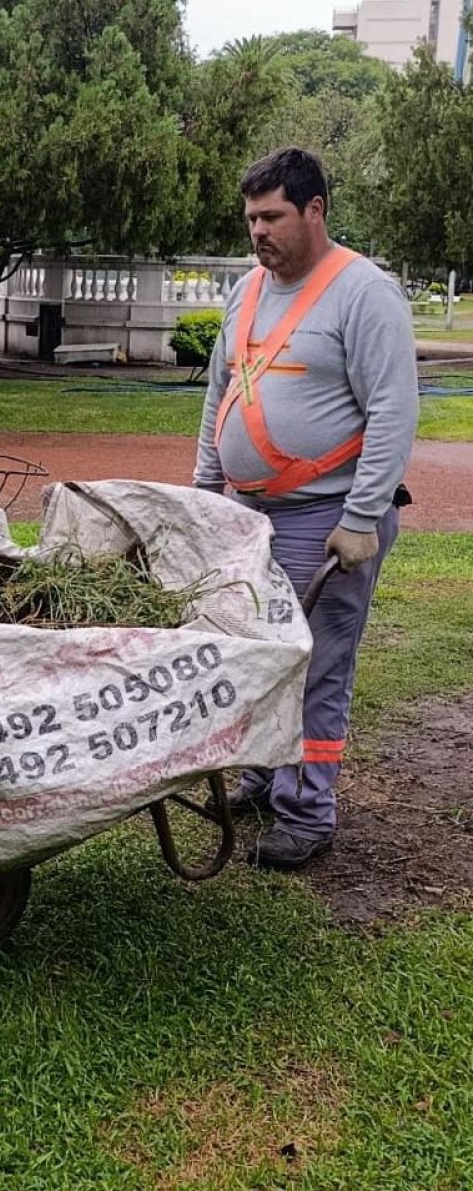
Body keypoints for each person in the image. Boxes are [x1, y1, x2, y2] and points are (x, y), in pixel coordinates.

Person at [193, 146, 419, 871]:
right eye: (251, 218)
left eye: (273, 216)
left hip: (325, 519)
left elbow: (393, 411)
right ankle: (262, 775)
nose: (258, 232)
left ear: (315, 210)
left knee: (315, 664)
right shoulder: (249, 290)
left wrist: (360, 518)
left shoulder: (364, 293)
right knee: (259, 654)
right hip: (249, 516)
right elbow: (219, 394)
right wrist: (205, 490)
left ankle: (307, 810)